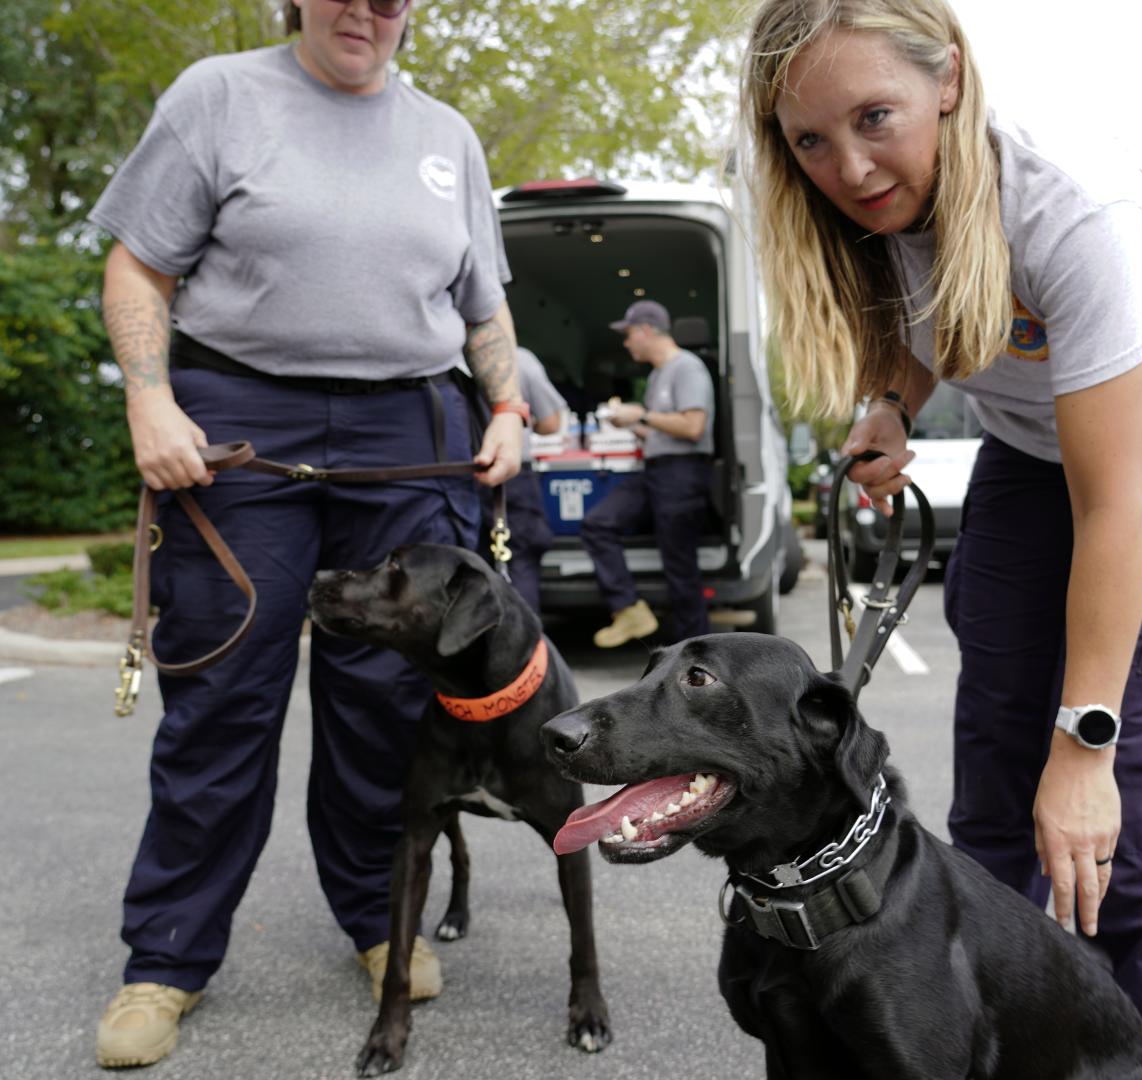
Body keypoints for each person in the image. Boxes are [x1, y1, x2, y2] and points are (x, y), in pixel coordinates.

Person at [739, 2, 1142, 1077]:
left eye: (875, 118)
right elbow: (923, 321)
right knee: (996, 774)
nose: (849, 168)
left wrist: (1085, 745)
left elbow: (1111, 508)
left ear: (948, 80)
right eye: (811, 139)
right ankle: (972, 1039)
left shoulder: (1069, 213)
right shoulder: (863, 205)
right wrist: (891, 407)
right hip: (1034, 434)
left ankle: (1135, 1061)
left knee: (1121, 773)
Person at [85, 0, 530, 1068]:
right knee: (223, 697)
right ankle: (166, 958)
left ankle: (382, 925)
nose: (367, 11)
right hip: (244, 422)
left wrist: (506, 407)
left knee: (384, 705)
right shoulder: (218, 97)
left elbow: (483, 310)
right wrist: (150, 401)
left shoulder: (447, 136)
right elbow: (138, 267)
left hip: (405, 422)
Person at [580, 299, 717, 647]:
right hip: (656, 471)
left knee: (680, 571)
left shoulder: (687, 368)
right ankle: (628, 609)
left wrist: (640, 415)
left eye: (628, 335)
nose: (626, 343)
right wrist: (624, 423)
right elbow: (660, 429)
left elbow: (693, 427)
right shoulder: (658, 375)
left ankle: (699, 656)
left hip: (683, 473)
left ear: (645, 330)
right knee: (598, 523)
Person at [480, 347, 567, 614]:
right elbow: (552, 423)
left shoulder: (440, 355)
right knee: (519, 561)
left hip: (450, 474)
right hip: (509, 477)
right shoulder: (516, 358)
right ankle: (523, 653)